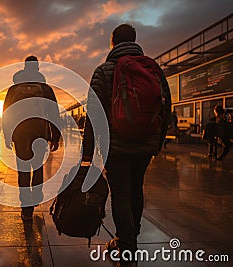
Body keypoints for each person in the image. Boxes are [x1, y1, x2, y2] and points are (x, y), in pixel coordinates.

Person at [82, 24, 171, 266]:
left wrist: (87, 154)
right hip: (145, 144)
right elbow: (167, 107)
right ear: (134, 40)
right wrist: (158, 142)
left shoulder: (103, 71)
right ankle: (131, 237)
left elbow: (93, 115)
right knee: (136, 189)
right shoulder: (153, 70)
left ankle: (127, 245)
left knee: (120, 194)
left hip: (115, 145)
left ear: (112, 42)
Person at [2, 55, 61, 221]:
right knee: (37, 166)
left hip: (19, 133)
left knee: (23, 170)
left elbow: (6, 112)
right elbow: (53, 112)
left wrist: (7, 135)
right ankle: (36, 195)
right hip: (39, 131)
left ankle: (26, 208)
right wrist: (55, 136)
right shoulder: (45, 88)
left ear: (25, 67)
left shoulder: (14, 89)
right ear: (37, 68)